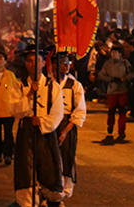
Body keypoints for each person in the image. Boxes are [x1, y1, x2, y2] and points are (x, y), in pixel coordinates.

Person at [12, 46, 65, 207]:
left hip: (46, 132)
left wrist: (42, 122)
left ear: (43, 63)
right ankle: (28, 202)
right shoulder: (19, 85)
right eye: (29, 60)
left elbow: (58, 112)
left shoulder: (53, 86)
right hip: (25, 132)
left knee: (49, 166)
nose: (33, 64)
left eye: (37, 60)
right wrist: (29, 95)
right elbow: (14, 109)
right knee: (26, 169)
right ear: (25, 64)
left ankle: (52, 198)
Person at [52, 53, 86, 206]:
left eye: (67, 62)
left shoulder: (75, 85)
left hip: (67, 124)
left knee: (67, 157)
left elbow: (79, 111)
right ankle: (50, 190)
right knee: (50, 158)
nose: (66, 65)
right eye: (61, 62)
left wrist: (64, 132)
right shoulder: (48, 83)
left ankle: (64, 192)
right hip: (50, 123)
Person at [98, 47, 134, 140]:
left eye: (115, 52)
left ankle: (121, 131)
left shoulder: (125, 63)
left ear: (120, 54)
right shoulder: (107, 64)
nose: (113, 54)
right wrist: (111, 79)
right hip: (112, 90)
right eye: (112, 52)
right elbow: (101, 75)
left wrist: (124, 78)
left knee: (122, 111)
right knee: (111, 111)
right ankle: (110, 125)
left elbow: (132, 73)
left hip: (123, 90)